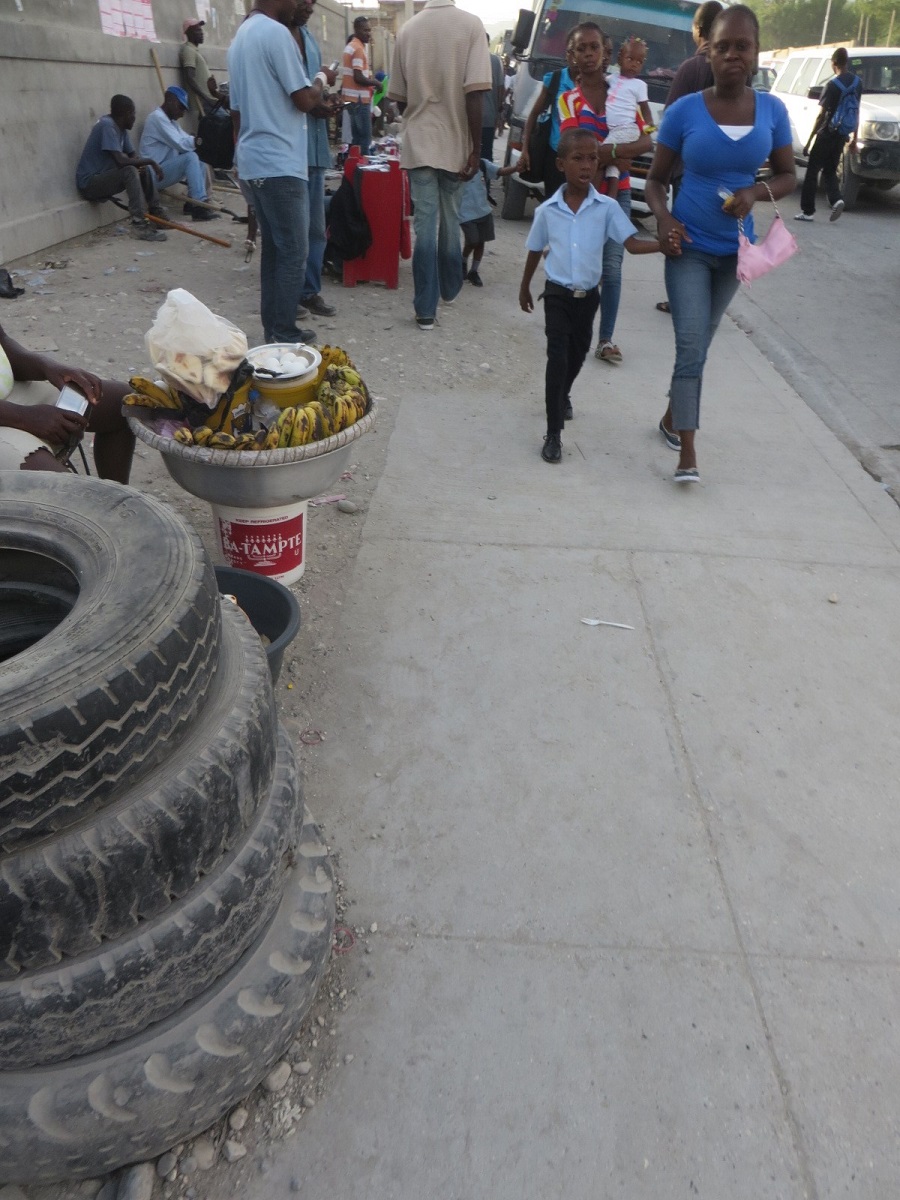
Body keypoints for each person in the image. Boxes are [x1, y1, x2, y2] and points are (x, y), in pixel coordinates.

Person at [645, 4, 796, 483]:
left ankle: (672, 416)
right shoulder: (685, 111)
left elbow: (790, 175)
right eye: (723, 46)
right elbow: (654, 181)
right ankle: (687, 451)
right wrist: (665, 218)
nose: (732, 54)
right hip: (686, 246)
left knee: (701, 342)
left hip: (736, 253)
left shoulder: (773, 110)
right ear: (707, 51)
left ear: (755, 53)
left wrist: (754, 192)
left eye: (742, 46)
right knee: (691, 343)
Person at [519, 128, 662, 464]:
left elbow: (630, 244)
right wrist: (525, 286)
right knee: (557, 357)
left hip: (588, 299)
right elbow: (534, 249)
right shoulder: (548, 211)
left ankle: (564, 393)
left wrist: (663, 246)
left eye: (593, 158)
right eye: (578, 158)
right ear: (560, 164)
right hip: (556, 294)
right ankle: (553, 432)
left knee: (578, 354)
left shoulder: (608, 208)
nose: (586, 165)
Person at [227, 0, 336, 345]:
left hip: (254, 161)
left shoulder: (241, 36)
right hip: (279, 163)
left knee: (276, 249)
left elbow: (236, 112)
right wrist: (322, 76)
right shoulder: (276, 34)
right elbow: (304, 100)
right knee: (293, 250)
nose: (302, 6)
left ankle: (274, 329)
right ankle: (284, 332)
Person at [387, 0, 492, 331]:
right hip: (455, 141)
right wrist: (475, 150)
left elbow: (399, 98)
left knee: (424, 225)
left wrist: (422, 108)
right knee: (450, 217)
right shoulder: (472, 25)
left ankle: (424, 310)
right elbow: (475, 95)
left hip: (419, 141)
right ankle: (449, 287)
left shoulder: (406, 30)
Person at [558, 22, 653, 365]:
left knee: (612, 270)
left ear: (605, 53)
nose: (587, 55)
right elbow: (573, 149)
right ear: (572, 55)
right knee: (580, 269)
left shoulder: (624, 92)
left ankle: (606, 339)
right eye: (580, 49)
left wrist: (600, 154)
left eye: (593, 48)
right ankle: (570, 330)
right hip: (580, 197)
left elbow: (647, 140)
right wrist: (616, 153)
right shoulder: (567, 100)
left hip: (618, 194)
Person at [655, 0, 723, 314]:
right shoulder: (734, 68)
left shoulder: (692, 67)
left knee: (684, 233)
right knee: (713, 231)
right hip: (727, 171)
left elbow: (670, 120)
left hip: (689, 170)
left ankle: (683, 297)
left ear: (697, 30)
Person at [0, 324, 134, 482]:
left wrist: (47, 366)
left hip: (10, 393)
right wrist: (23, 417)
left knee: (122, 403)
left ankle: (115, 498)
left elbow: (3, 342)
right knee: (66, 488)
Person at [292, 0, 339, 319]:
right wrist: (313, 101)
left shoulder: (307, 37)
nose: (310, 6)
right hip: (291, 150)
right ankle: (288, 295)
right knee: (291, 230)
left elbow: (312, 92)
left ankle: (308, 291)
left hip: (314, 146)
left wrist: (325, 100)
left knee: (314, 226)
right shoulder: (277, 37)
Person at [75, 95, 167, 243]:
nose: (134, 117)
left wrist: (143, 164)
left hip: (103, 178)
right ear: (126, 113)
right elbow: (121, 161)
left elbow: (133, 156)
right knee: (130, 170)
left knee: (140, 165)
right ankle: (139, 224)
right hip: (90, 183)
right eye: (133, 113)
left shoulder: (121, 130)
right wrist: (151, 161)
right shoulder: (107, 126)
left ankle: (156, 212)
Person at [796, 47, 860, 222]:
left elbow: (821, 116)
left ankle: (808, 211)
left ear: (833, 63)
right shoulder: (857, 83)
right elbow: (857, 111)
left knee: (812, 171)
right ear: (846, 62)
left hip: (826, 134)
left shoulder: (832, 85)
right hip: (842, 134)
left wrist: (809, 141)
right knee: (830, 170)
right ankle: (837, 199)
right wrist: (854, 138)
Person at [138, 86, 218, 222]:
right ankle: (199, 205)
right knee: (191, 156)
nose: (182, 114)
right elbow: (180, 143)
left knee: (198, 154)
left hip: (163, 170)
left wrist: (199, 142)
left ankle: (193, 202)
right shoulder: (157, 118)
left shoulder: (171, 122)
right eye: (181, 107)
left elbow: (187, 141)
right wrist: (198, 141)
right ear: (170, 100)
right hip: (153, 175)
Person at [518, 30, 579, 198]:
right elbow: (533, 115)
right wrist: (525, 150)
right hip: (556, 157)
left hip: (583, 159)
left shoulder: (595, 85)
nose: (575, 56)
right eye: (571, 51)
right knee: (555, 204)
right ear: (567, 54)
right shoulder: (555, 80)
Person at [604, 37, 653, 200]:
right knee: (613, 163)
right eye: (630, 59)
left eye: (639, 62)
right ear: (619, 58)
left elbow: (645, 109)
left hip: (627, 129)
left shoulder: (639, 85)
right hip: (615, 130)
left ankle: (609, 195)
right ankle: (611, 194)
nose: (634, 64)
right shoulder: (611, 79)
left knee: (602, 152)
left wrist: (649, 127)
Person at [460, 158, 521, 285]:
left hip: (483, 210)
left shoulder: (482, 164)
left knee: (481, 242)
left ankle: (474, 271)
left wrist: (515, 168)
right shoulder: (457, 165)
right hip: (465, 213)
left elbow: (499, 171)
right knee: (472, 240)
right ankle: (463, 262)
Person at [342, 16, 377, 158]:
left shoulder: (351, 46)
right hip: (359, 100)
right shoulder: (358, 49)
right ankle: (363, 175)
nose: (368, 33)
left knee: (356, 141)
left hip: (351, 100)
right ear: (356, 30)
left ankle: (354, 175)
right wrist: (376, 83)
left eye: (369, 30)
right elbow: (358, 77)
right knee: (364, 141)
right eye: (365, 30)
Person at [179, 19, 219, 118]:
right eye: (197, 31)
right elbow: (189, 78)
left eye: (201, 30)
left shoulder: (194, 50)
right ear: (188, 33)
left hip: (209, 101)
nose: (201, 33)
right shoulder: (189, 50)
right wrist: (206, 99)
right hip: (204, 103)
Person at [481, 36, 505, 161]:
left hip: (468, 118)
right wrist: (499, 111)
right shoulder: (496, 61)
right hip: (489, 117)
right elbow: (501, 88)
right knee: (486, 153)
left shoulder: (467, 58)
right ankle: (485, 178)